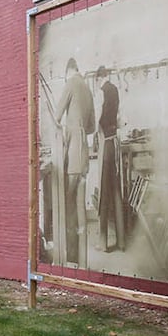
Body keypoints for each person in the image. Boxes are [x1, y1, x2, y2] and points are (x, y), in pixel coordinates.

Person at [53, 57, 95, 264]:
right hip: (84, 154)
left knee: (67, 204)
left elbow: (56, 115)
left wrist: (65, 131)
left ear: (68, 71)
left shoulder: (71, 83)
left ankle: (69, 257)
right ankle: (82, 259)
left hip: (73, 153)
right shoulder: (88, 89)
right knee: (79, 205)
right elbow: (92, 127)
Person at [96, 71, 126, 252]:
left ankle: (103, 243)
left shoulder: (101, 92)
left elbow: (97, 119)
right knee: (116, 192)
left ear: (100, 78)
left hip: (106, 145)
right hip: (115, 144)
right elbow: (121, 120)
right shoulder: (115, 90)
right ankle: (122, 242)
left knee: (104, 195)